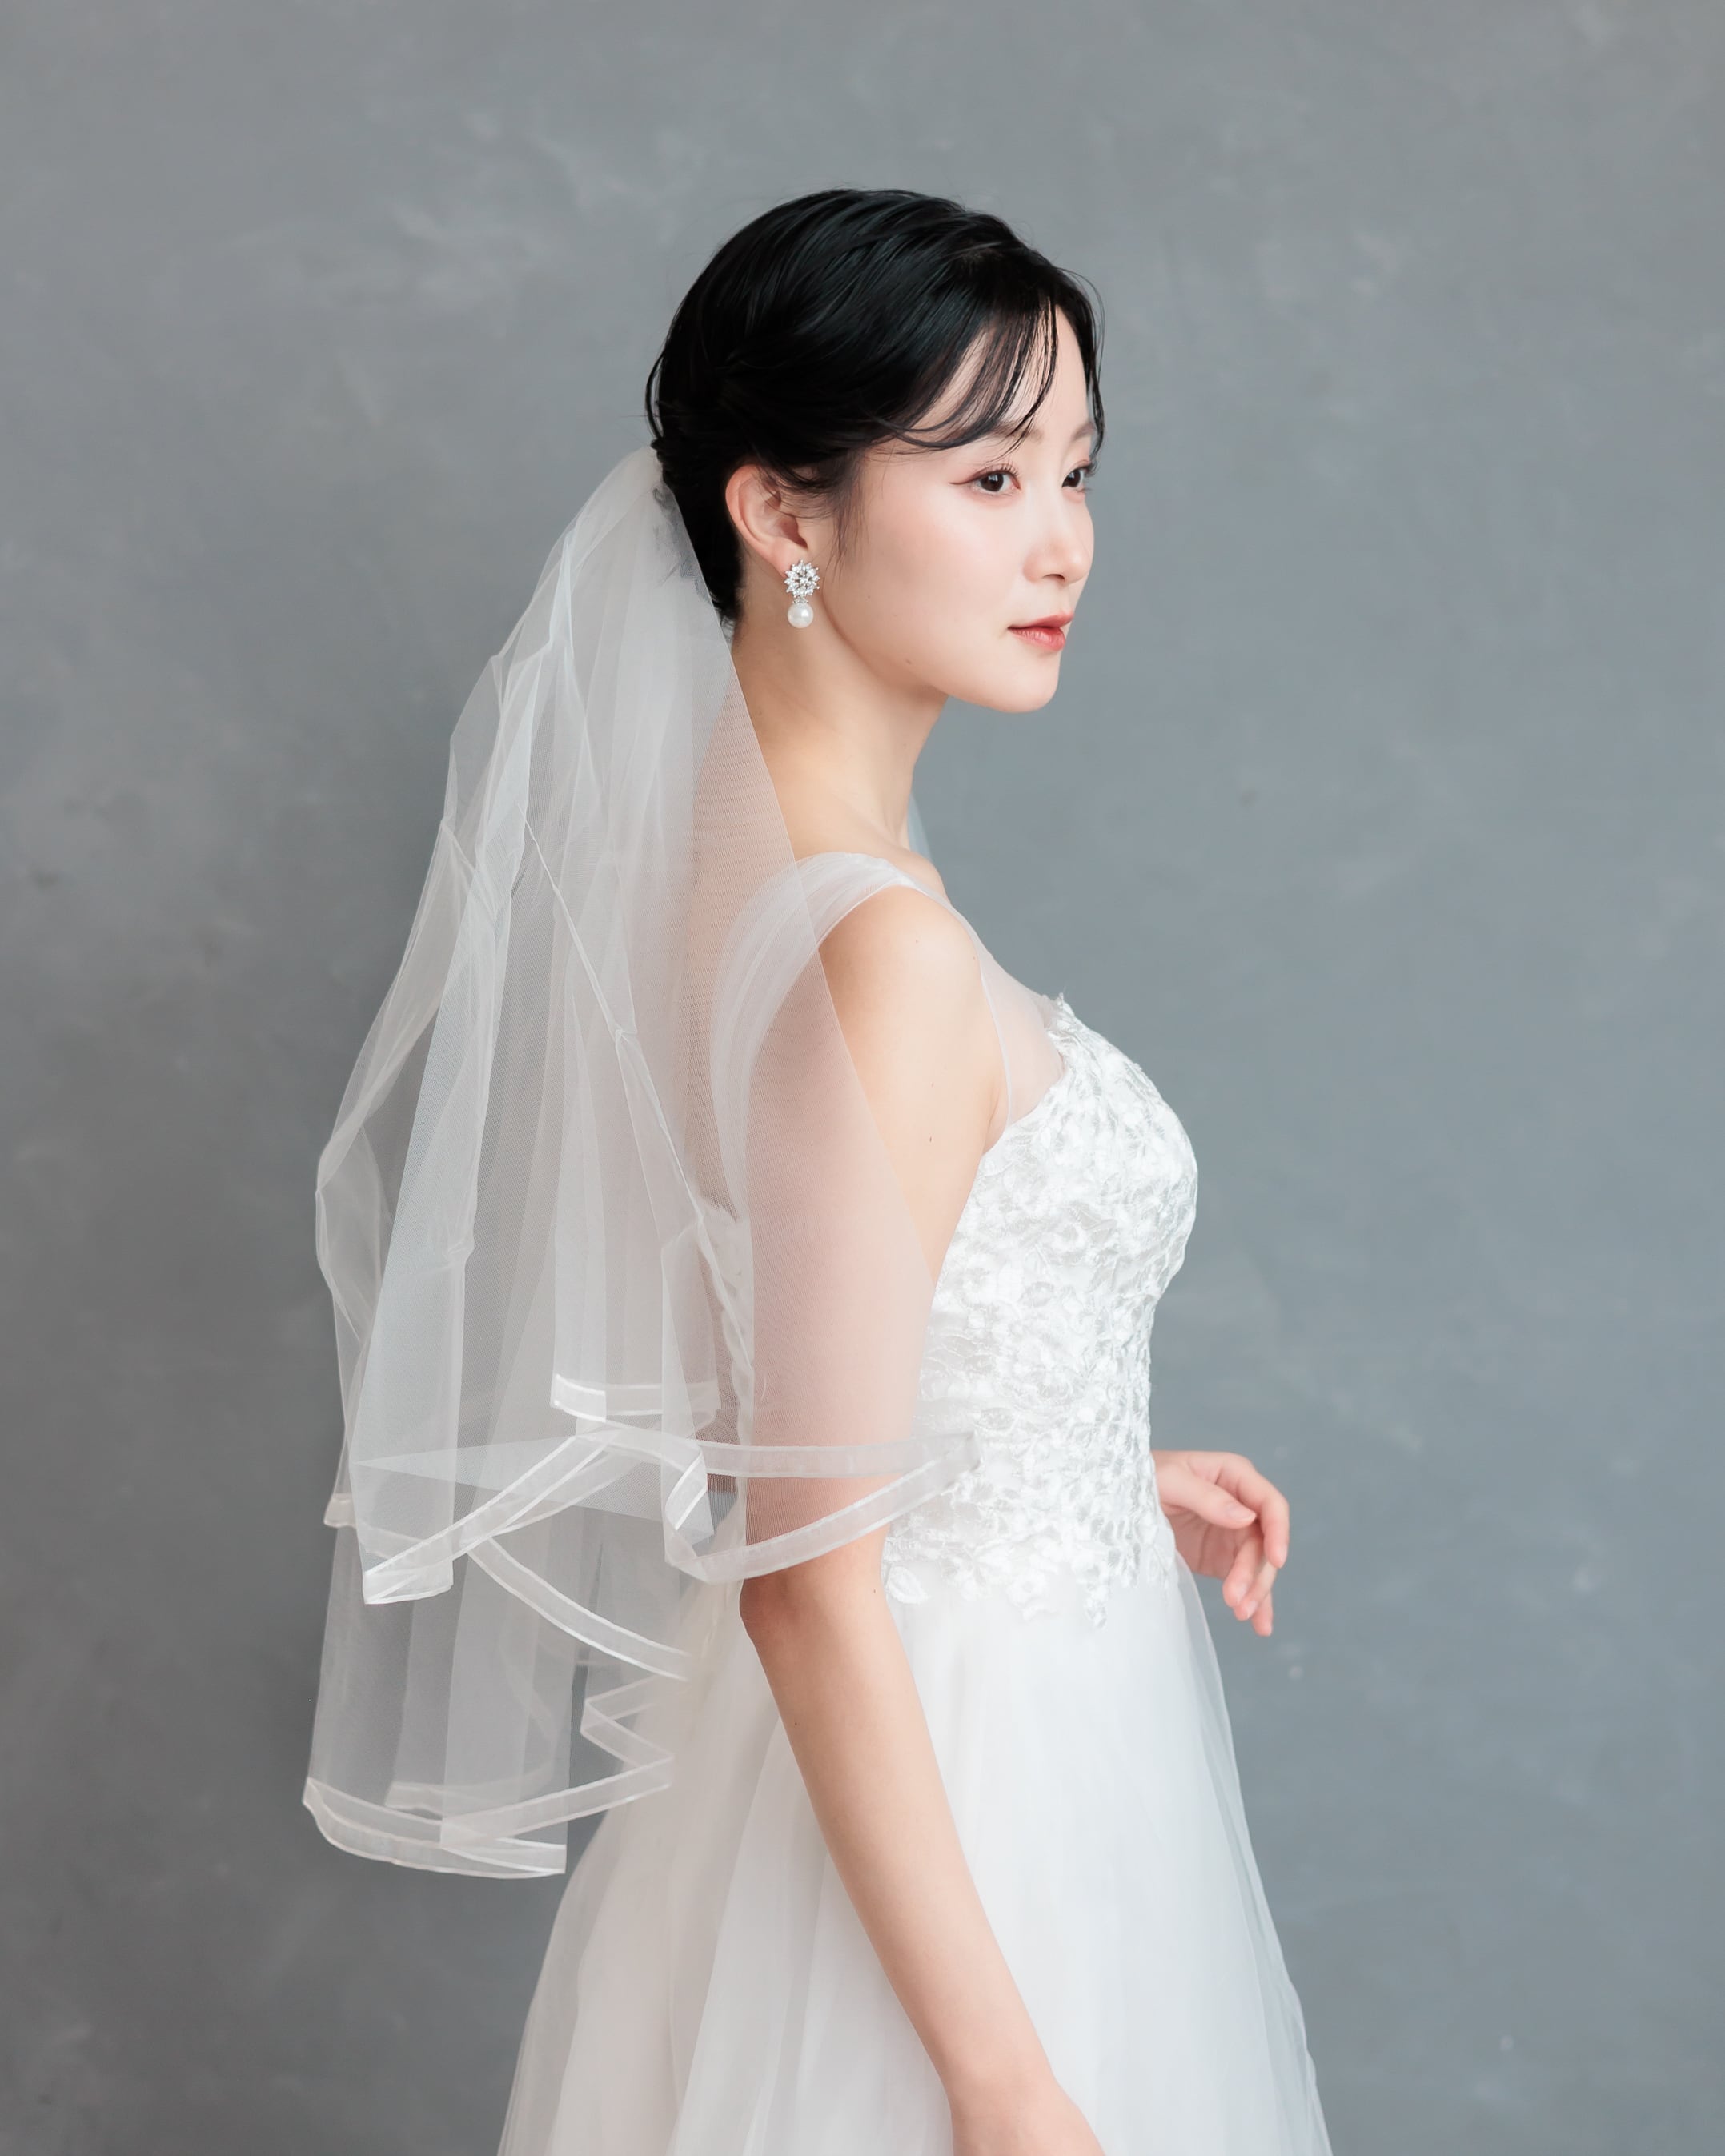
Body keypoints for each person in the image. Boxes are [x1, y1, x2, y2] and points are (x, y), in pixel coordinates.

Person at [303, 186, 1333, 2155]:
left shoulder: (732, 866)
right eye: (989, 476)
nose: (1061, 543)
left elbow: (769, 1376)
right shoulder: (879, 948)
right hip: (961, 1803)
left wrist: (1065, 1454)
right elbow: (802, 1583)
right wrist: (1003, 2087)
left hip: (906, 1745)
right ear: (785, 511)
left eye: (1077, 474)